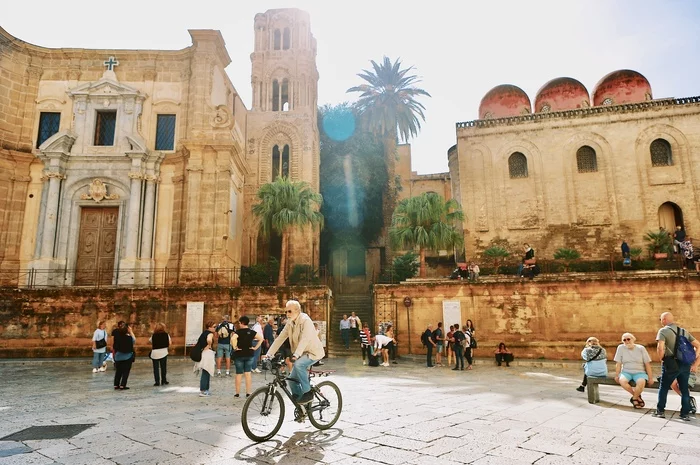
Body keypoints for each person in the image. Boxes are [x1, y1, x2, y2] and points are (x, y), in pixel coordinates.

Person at [266, 300, 325, 404]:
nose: (287, 314)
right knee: (291, 380)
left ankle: (308, 393)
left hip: (313, 352)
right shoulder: (290, 323)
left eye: (289, 311)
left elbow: (305, 339)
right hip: (301, 353)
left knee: (298, 364)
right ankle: (301, 404)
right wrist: (268, 355)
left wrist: (296, 355)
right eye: (286, 312)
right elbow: (280, 338)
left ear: (297, 311)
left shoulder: (306, 320)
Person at [653, 312, 700, 420]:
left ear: (664, 320)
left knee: (664, 387)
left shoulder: (663, 331)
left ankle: (660, 411)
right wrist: (693, 358)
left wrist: (662, 359)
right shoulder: (683, 331)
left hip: (671, 362)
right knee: (684, 389)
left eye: (661, 319)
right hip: (685, 364)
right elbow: (698, 345)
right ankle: (685, 414)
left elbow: (660, 347)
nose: (661, 321)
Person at [613, 332, 653, 409]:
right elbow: (618, 363)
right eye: (624, 340)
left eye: (628, 339)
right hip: (626, 371)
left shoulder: (641, 348)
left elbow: (647, 364)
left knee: (641, 382)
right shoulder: (620, 348)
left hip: (640, 372)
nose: (627, 341)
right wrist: (617, 375)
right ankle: (637, 396)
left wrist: (650, 378)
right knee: (622, 381)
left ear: (633, 339)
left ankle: (634, 398)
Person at [232, 315, 263, 398]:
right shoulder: (251, 332)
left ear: (242, 323)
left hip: (239, 354)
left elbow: (233, 339)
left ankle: (237, 393)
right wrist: (255, 348)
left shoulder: (238, 332)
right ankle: (248, 392)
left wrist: (235, 347)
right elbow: (261, 338)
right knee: (248, 374)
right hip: (249, 354)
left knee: (239, 374)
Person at [195, 321, 216, 397]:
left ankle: (205, 390)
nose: (215, 328)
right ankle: (203, 390)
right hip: (207, 354)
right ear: (209, 327)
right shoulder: (210, 334)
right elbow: (209, 339)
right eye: (214, 327)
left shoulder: (204, 333)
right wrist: (209, 345)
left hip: (204, 353)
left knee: (206, 372)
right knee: (206, 372)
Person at [113, 322, 136, 390]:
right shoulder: (129, 338)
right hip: (127, 357)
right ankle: (123, 385)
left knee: (118, 371)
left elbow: (115, 346)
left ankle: (116, 384)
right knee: (126, 372)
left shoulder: (117, 338)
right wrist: (131, 331)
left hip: (118, 357)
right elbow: (134, 340)